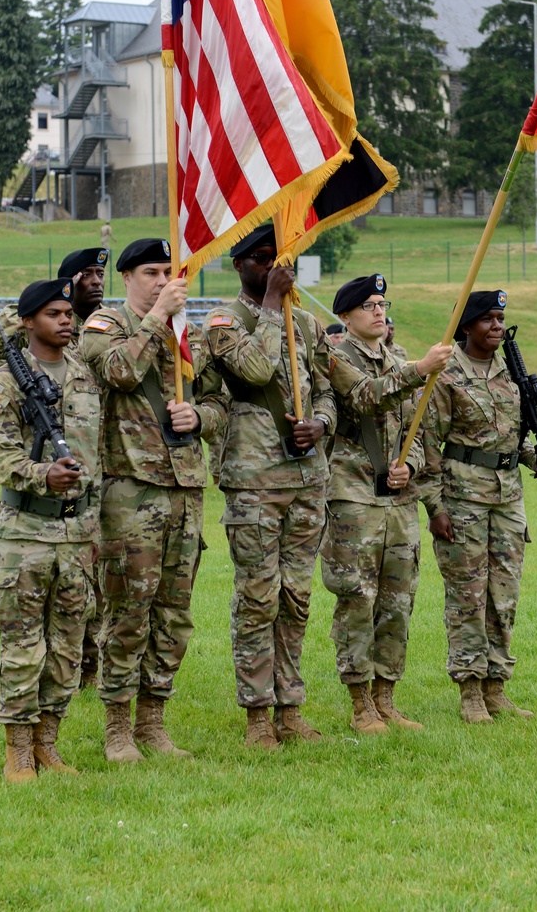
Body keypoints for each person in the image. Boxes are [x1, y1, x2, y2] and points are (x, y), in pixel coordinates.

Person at [80, 238, 227, 764]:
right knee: (127, 611)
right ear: (126, 277)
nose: (163, 281)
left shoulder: (187, 336)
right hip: (129, 489)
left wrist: (201, 418)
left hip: (185, 489)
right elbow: (117, 371)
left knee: (174, 613)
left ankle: (152, 722)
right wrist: (157, 318)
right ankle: (117, 728)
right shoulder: (105, 326)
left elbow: (219, 402)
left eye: (169, 271)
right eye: (151, 272)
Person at [206, 223, 336, 750]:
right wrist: (270, 305)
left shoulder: (304, 324)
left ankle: (291, 708)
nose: (273, 268)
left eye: (278, 259)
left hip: (307, 480)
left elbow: (328, 392)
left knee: (297, 597)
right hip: (254, 482)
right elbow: (256, 371)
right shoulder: (223, 322)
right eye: (261, 259)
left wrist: (321, 424)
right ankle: (258, 717)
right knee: (259, 598)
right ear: (239, 264)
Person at [0, 278, 100, 782]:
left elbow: (98, 452)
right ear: (27, 322)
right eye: (53, 314)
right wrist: (42, 474)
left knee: (68, 647)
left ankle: (49, 743)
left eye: (68, 313)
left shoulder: (84, 377)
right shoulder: (3, 382)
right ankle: (18, 752)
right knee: (24, 647)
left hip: (76, 533)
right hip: (25, 531)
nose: (66, 320)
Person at [322, 273, 452, 734]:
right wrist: (421, 368)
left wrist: (410, 466)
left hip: (398, 498)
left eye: (383, 303)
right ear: (346, 316)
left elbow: (416, 428)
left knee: (398, 600)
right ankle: (360, 704)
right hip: (352, 493)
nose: (379, 311)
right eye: (369, 305)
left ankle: (386, 698)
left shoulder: (397, 357)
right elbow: (365, 398)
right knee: (357, 597)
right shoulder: (334, 356)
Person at [422, 289, 537, 725]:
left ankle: (496, 687)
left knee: (504, 595)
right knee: (468, 596)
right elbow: (428, 445)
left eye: (501, 319)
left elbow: (512, 436)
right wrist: (435, 507)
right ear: (467, 327)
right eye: (489, 319)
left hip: (508, 497)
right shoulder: (447, 375)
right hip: (463, 498)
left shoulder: (509, 370)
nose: (497, 326)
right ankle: (470, 692)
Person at [0, 247, 108, 356]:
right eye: (86, 275)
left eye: (100, 274)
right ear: (69, 283)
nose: (97, 281)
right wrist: (50, 300)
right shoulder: (48, 322)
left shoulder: (115, 322)